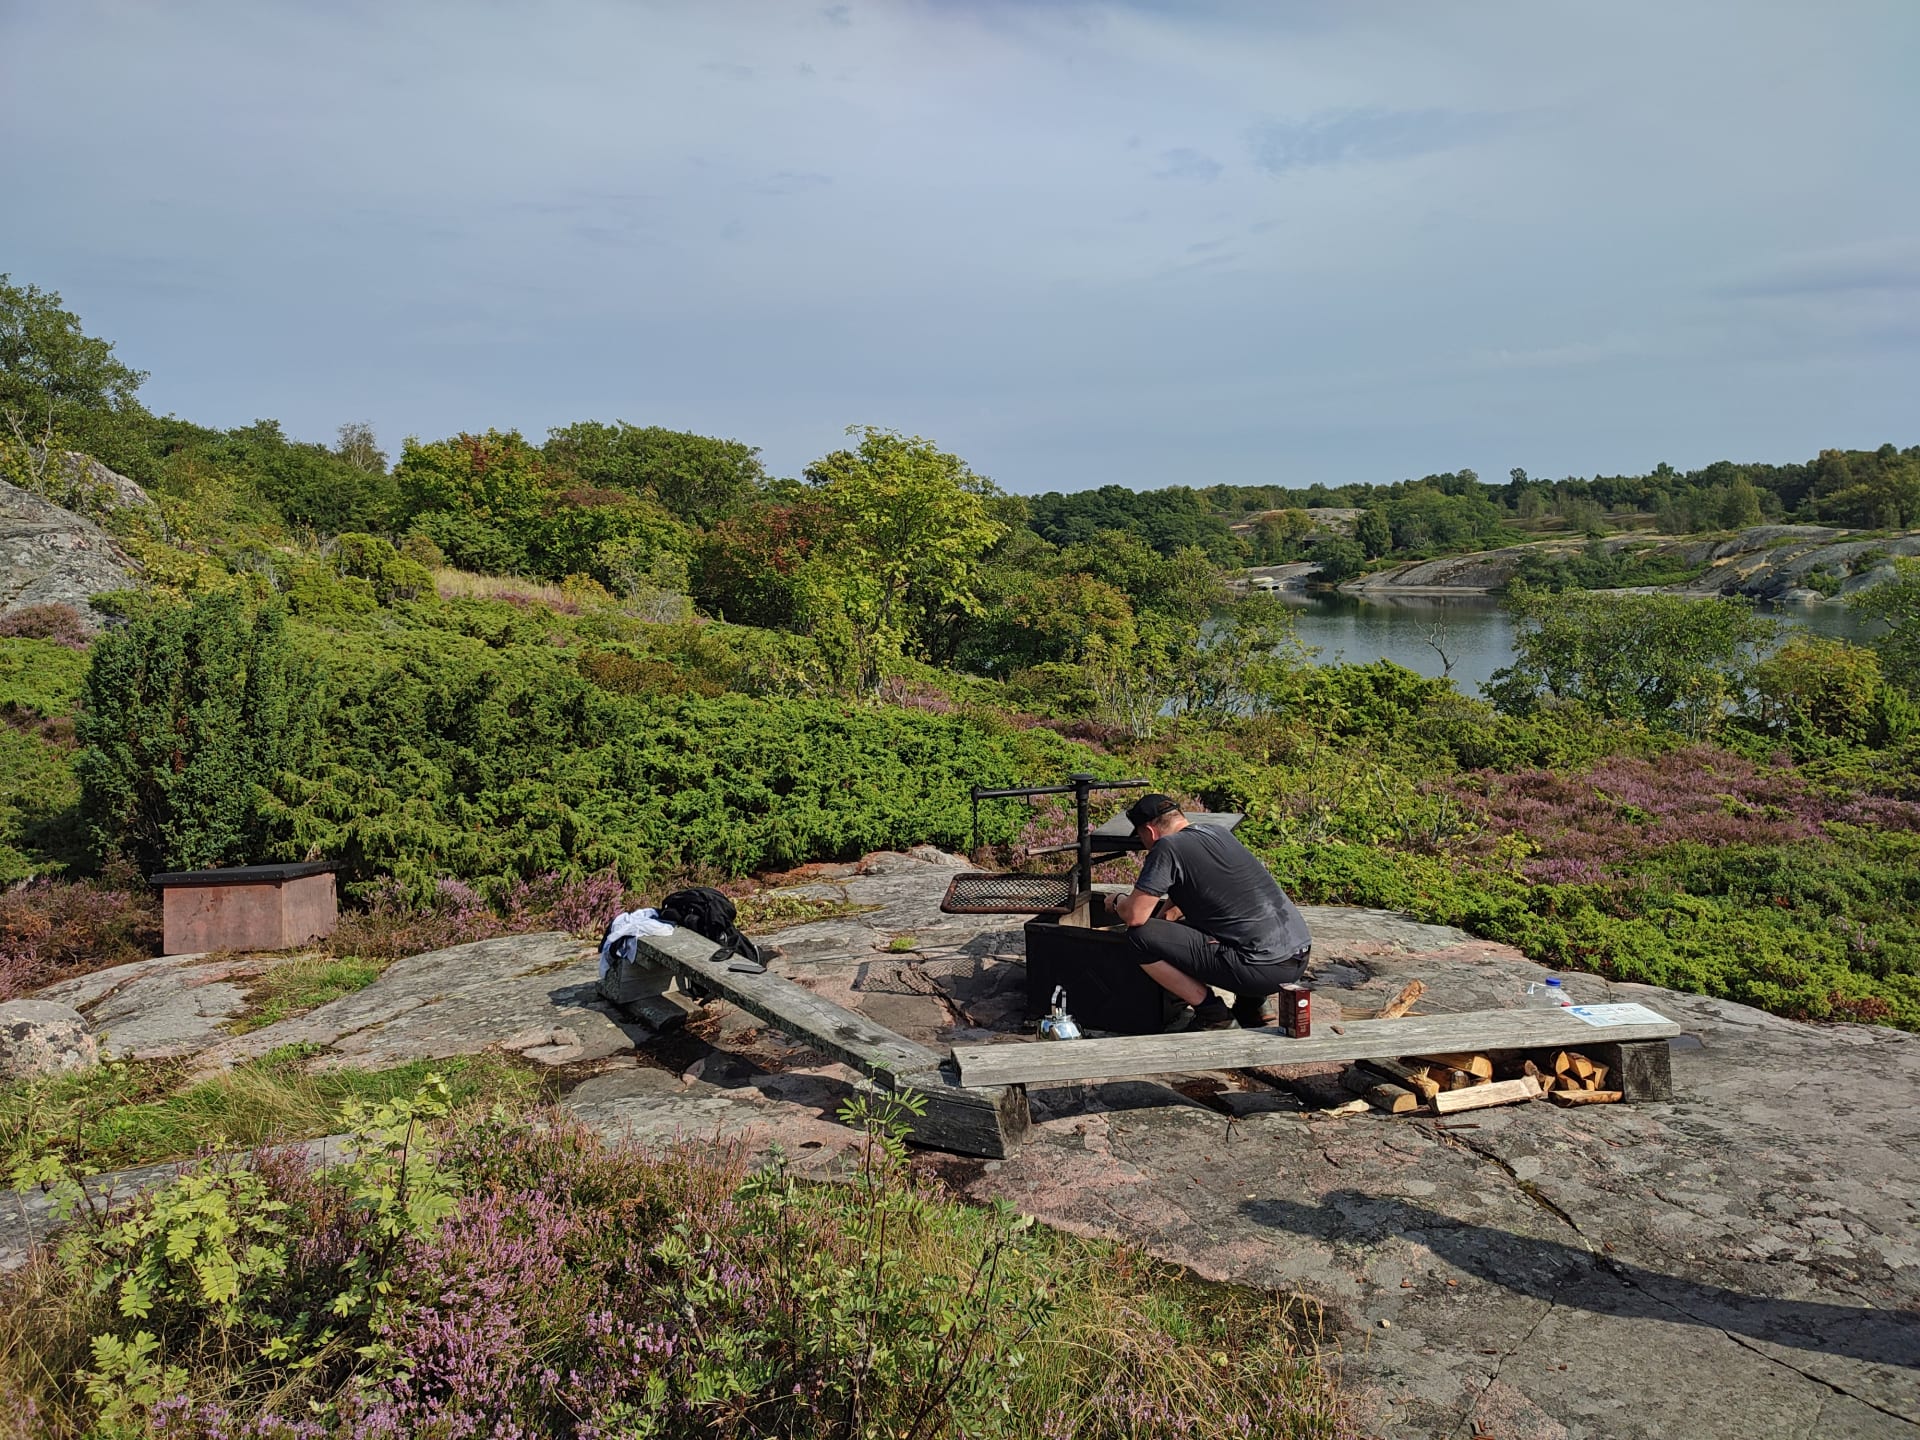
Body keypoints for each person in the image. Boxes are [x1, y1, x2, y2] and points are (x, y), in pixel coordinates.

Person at [1112, 793, 1312, 1030]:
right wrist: (1167, 916)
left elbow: (1135, 916)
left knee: (1139, 938)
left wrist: (1118, 901)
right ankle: (1253, 1005)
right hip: (1297, 956)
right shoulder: (1217, 833)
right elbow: (1195, 887)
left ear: (1150, 831)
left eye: (1141, 837)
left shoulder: (1167, 846)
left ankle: (1213, 1015)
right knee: (1227, 919)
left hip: (1261, 968)